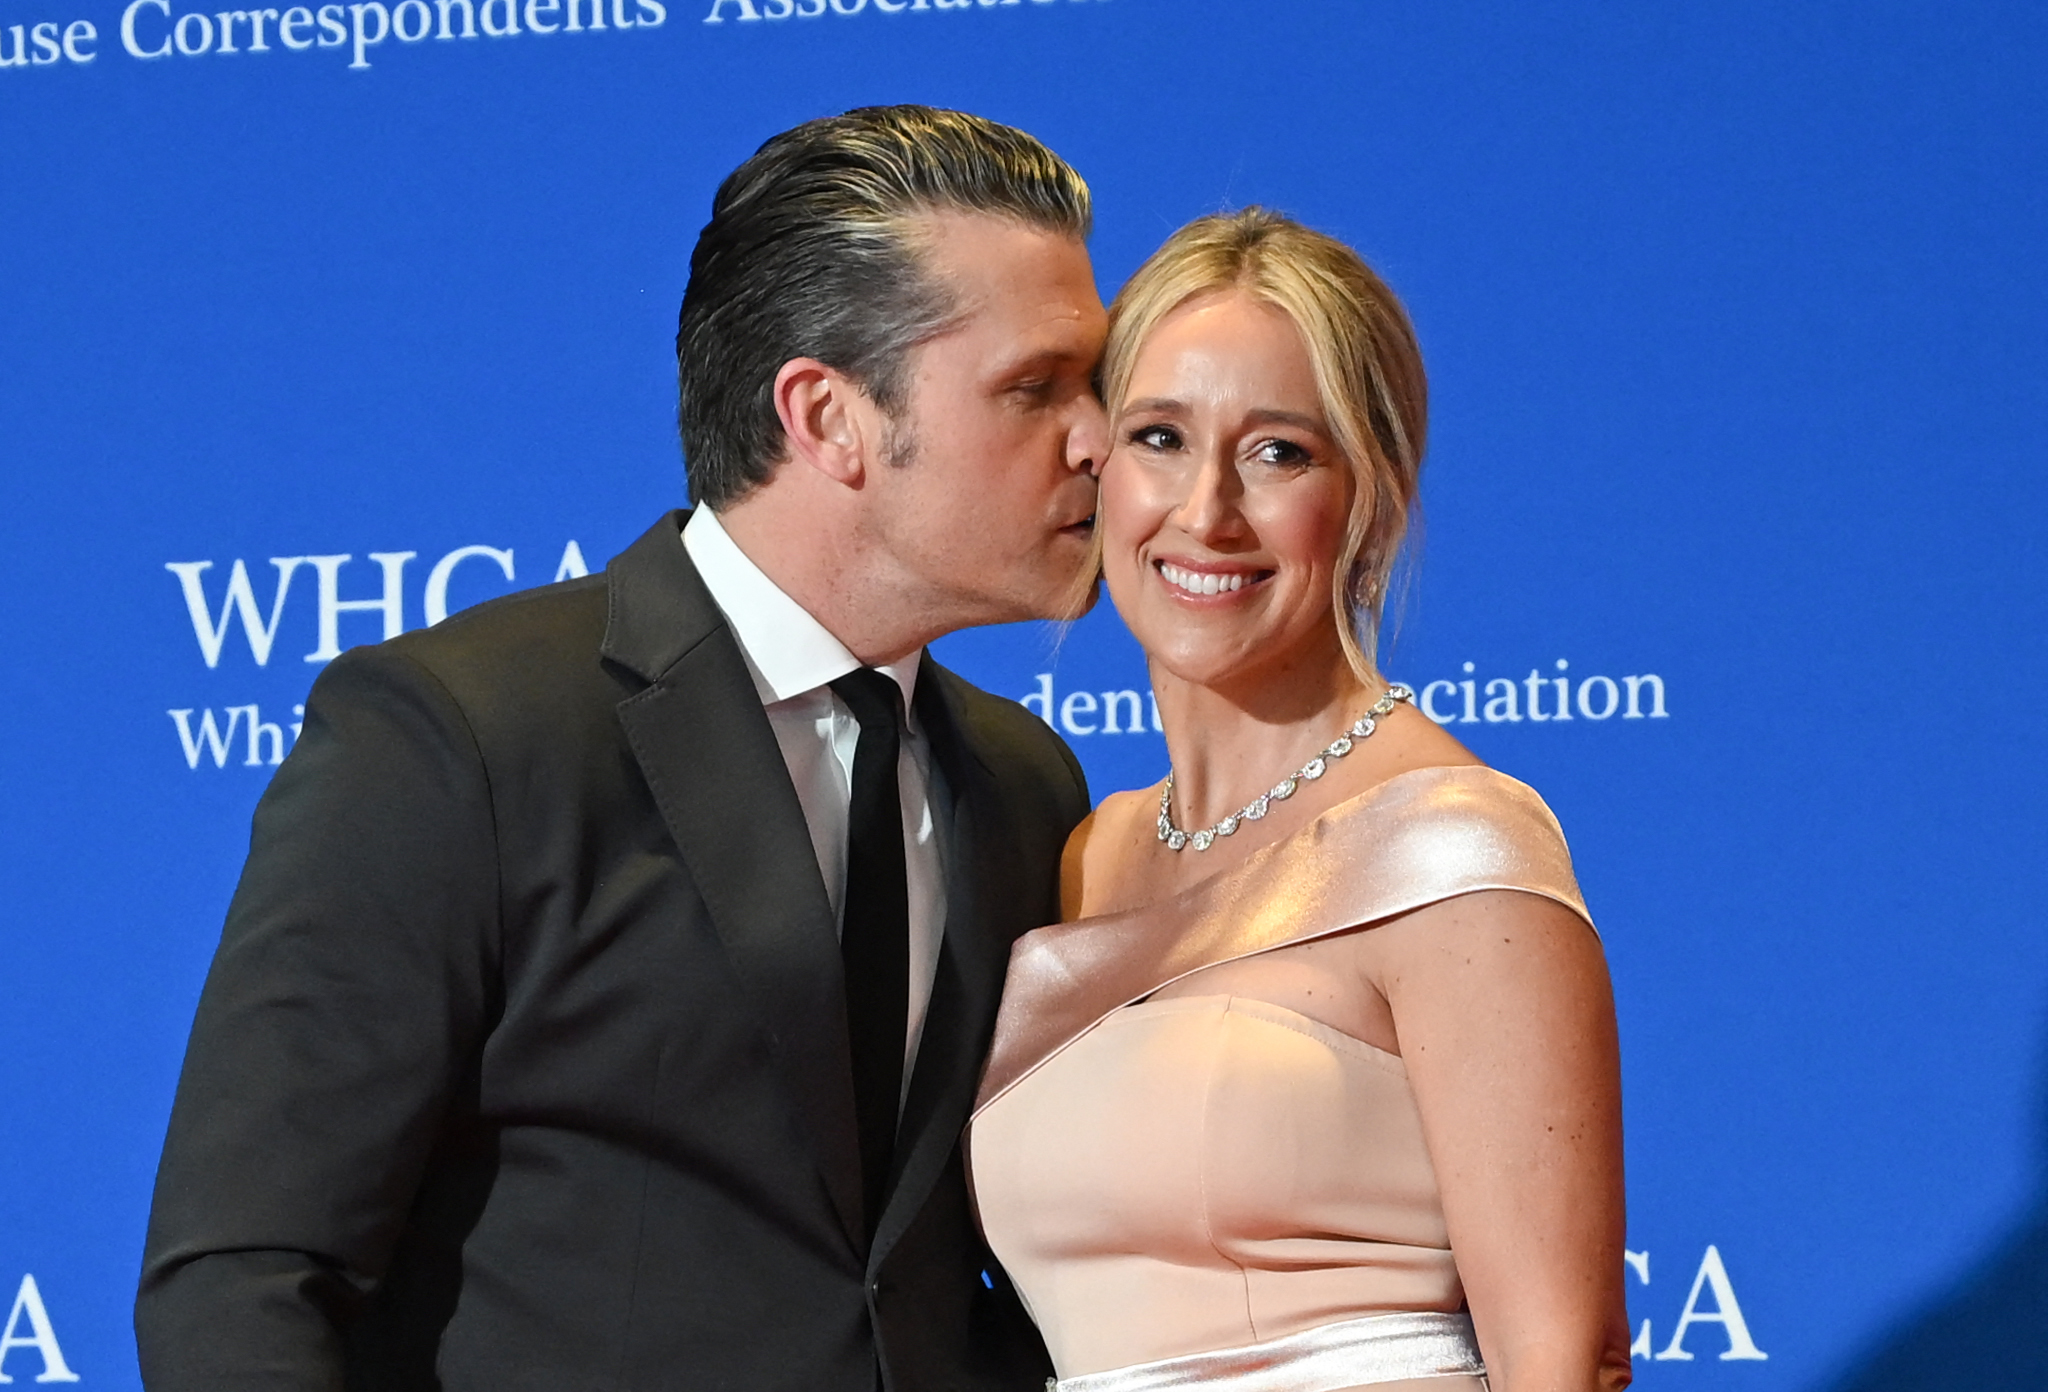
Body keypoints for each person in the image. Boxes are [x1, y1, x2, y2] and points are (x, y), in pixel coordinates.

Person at [136, 105, 1108, 1392]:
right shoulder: (462, 735)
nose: (1100, 437)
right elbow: (246, 1280)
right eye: (1035, 388)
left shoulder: (1027, 782)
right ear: (826, 418)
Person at [967, 210, 1633, 1392]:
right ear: (1097, 467)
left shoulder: (1452, 845)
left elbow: (1561, 1359)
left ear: (1370, 494)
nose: (1206, 510)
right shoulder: (1086, 853)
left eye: (1278, 453)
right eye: (1160, 436)